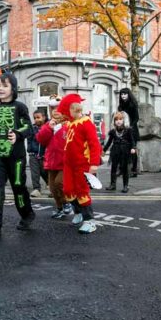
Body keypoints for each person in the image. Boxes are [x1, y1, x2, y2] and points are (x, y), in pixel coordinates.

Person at [0, 72, 35, 240]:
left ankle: (27, 215)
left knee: (18, 188)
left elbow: (29, 128)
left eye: (5, 86)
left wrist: (18, 134)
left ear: (13, 88)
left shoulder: (20, 107)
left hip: (16, 158)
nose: (1, 89)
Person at [57, 93, 102, 234]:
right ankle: (79, 212)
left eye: (65, 112)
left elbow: (94, 145)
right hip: (69, 164)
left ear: (73, 109)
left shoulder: (86, 123)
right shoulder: (70, 123)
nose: (64, 115)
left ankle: (90, 221)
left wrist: (94, 164)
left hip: (82, 164)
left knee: (82, 191)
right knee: (68, 190)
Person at [36, 97, 71, 219]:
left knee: (59, 183)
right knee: (52, 188)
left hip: (66, 161)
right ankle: (60, 208)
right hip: (52, 161)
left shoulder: (68, 124)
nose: (55, 111)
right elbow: (41, 139)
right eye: (52, 108)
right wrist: (48, 128)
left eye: (58, 108)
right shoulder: (48, 124)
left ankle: (67, 203)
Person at [103, 111, 136, 192]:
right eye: (116, 119)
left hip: (125, 151)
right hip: (115, 151)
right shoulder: (113, 132)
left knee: (125, 169)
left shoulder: (128, 130)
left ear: (124, 120)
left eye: (120, 119)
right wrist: (103, 150)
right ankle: (112, 185)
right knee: (113, 168)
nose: (118, 121)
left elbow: (132, 140)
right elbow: (109, 142)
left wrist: (133, 148)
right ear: (114, 121)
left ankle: (125, 186)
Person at [117, 87, 140, 177]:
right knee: (121, 150)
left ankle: (134, 170)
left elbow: (136, 118)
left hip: (132, 130)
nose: (123, 96)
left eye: (125, 94)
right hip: (122, 130)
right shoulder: (120, 105)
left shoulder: (133, 104)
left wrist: (130, 127)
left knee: (132, 150)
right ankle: (121, 170)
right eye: (122, 94)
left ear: (128, 94)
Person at [27, 110, 48, 197]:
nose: (36, 120)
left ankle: (50, 187)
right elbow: (29, 140)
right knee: (34, 173)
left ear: (44, 117)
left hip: (45, 155)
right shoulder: (32, 128)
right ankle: (36, 189)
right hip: (33, 154)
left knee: (45, 172)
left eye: (38, 117)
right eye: (35, 118)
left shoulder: (48, 127)